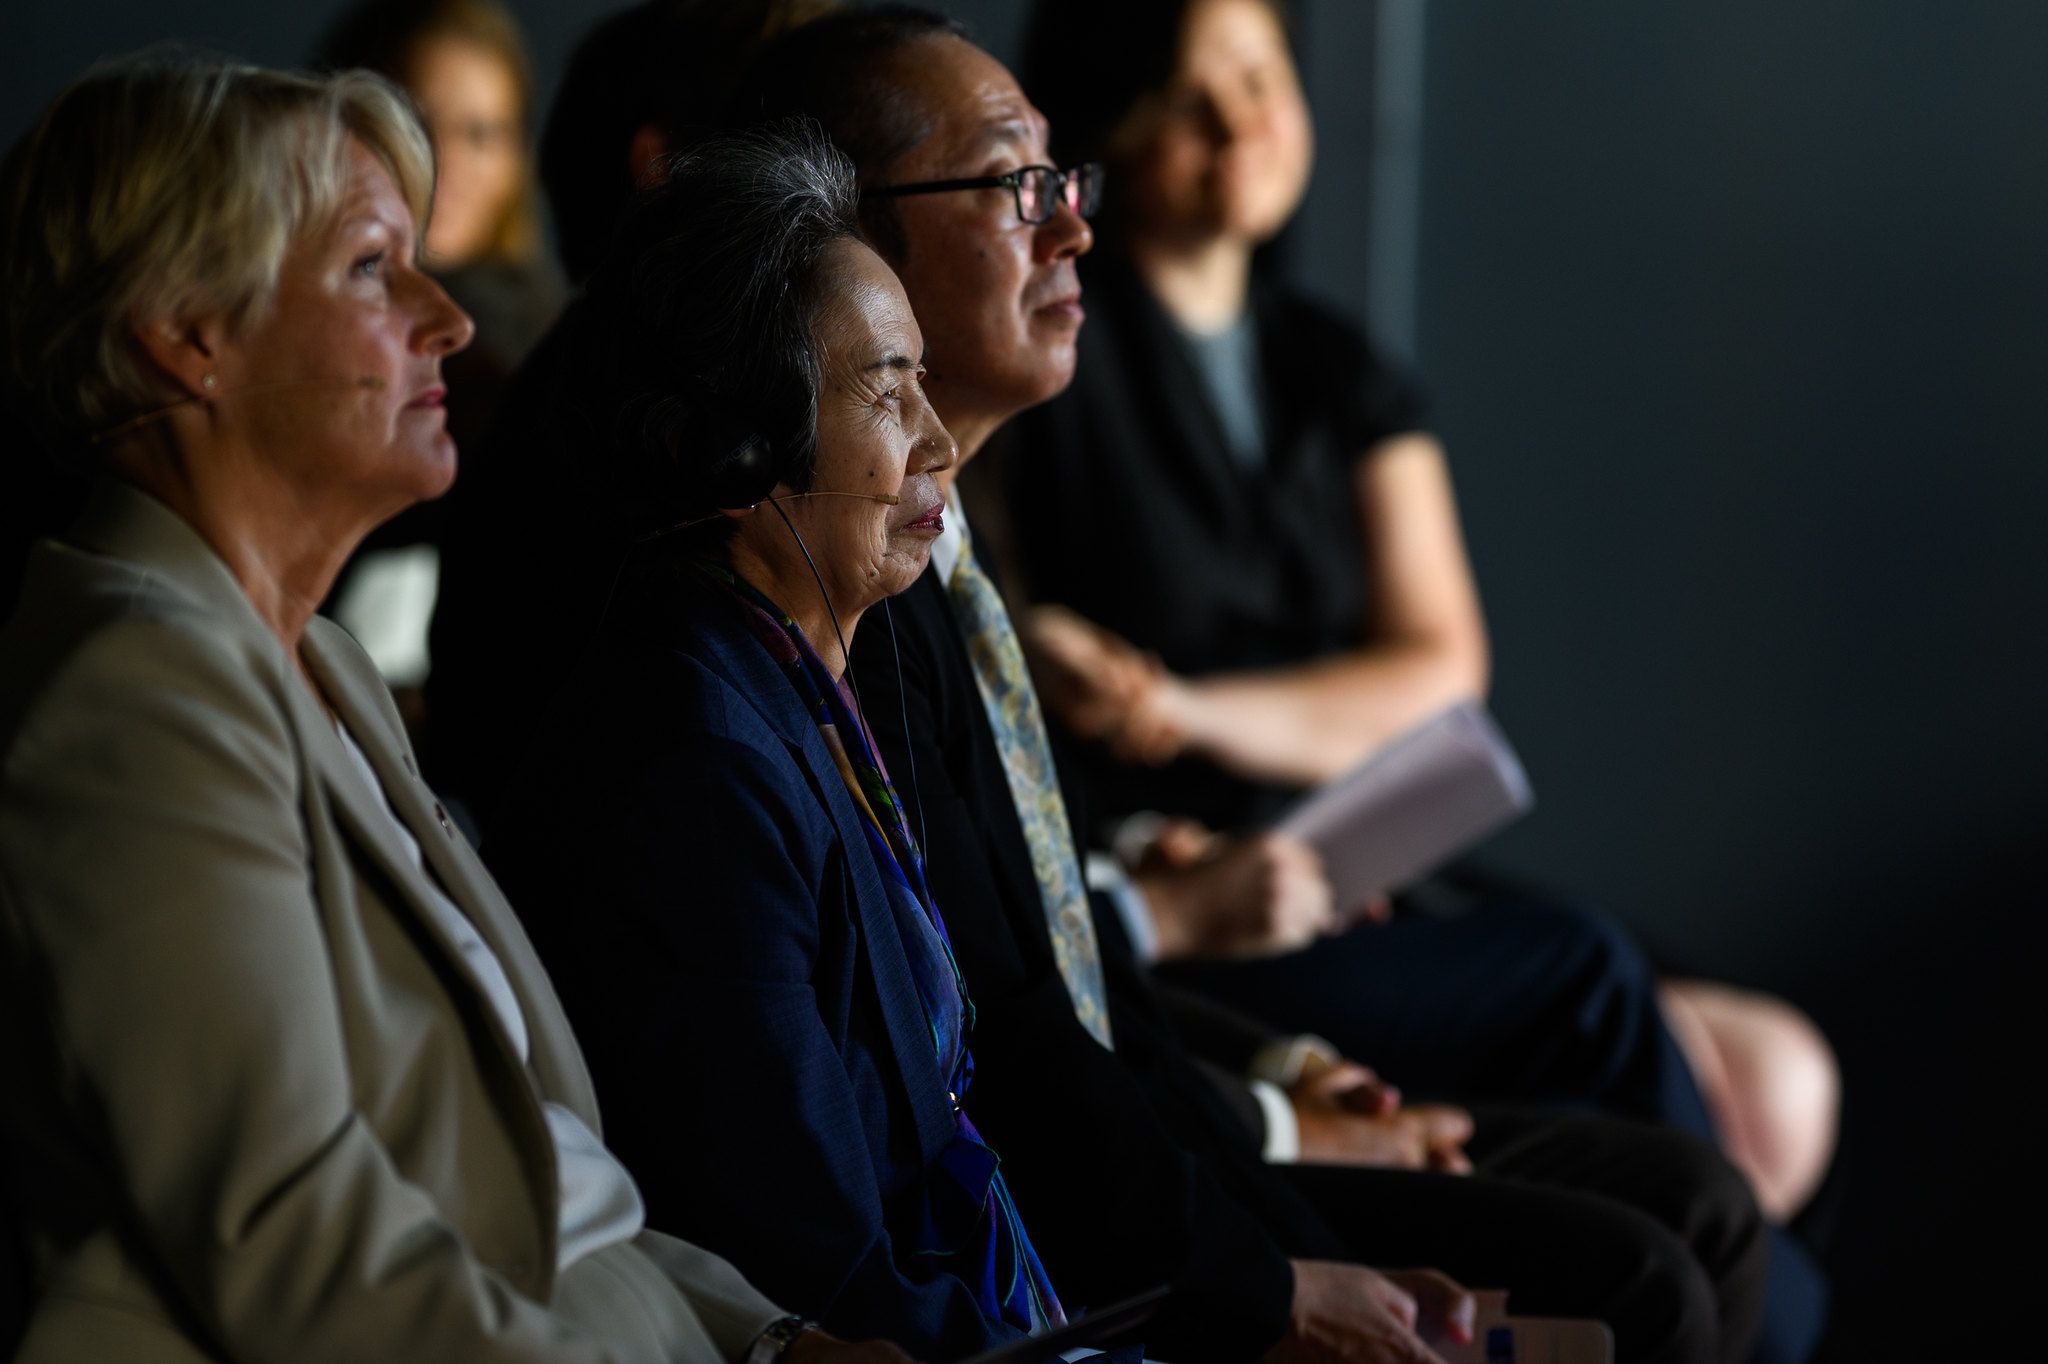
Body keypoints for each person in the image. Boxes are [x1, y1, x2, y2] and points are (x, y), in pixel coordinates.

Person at [731, 10, 1779, 1364]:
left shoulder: (1310, 364)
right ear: (846, 239)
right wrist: (1276, 1245)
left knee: (1702, 1144)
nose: (1069, 231)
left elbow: (1438, 668)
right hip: (1144, 1050)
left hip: (1221, 998)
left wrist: (1275, 1105)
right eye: (1016, 185)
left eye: (1063, 186)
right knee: (1641, 1221)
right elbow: (998, 1026)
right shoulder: (867, 586)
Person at [0, 54, 902, 1364]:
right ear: (188, 332)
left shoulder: (313, 660)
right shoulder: (135, 700)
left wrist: (773, 1344)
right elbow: (302, 1248)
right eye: (373, 269)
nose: (451, 318)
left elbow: (546, 1181)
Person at [1001, 0, 1840, 1233]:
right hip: (1195, 890)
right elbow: (1007, 644)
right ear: (1107, 132)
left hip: (1373, 850)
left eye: (1257, 78)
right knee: (1599, 986)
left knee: (1779, 1075)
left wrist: (1177, 709)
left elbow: (1438, 672)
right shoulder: (1051, 362)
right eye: (1187, 97)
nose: (1239, 124)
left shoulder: (1336, 366)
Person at [480, 123, 1139, 1361]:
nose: (938, 440)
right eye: (889, 391)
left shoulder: (804, 694)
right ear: (742, 449)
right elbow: (810, 1255)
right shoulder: (693, 768)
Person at [425, 0, 835, 819]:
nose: (843, 199)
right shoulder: (634, 433)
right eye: (801, 150)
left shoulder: (594, 376)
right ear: (668, 168)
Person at [315, 0, 569, 706]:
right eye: (416, 125)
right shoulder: (293, 330)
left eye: (481, 133)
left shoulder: (549, 338)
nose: (446, 162)